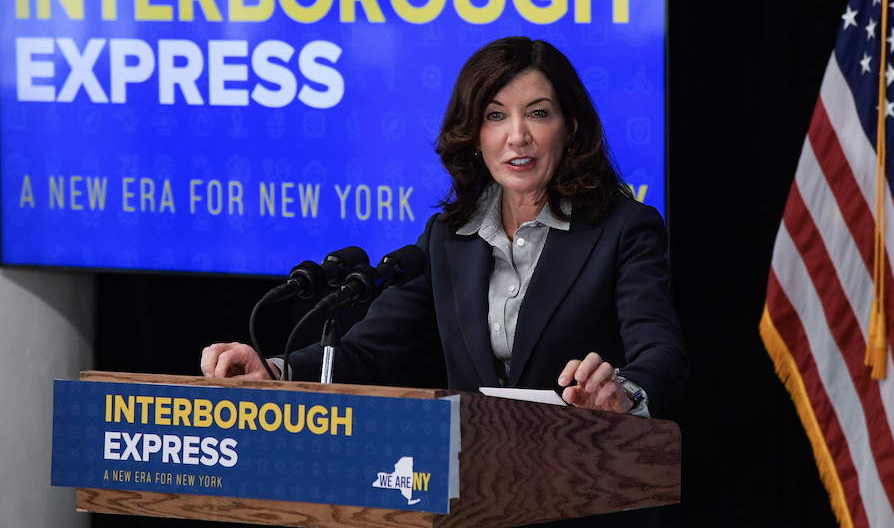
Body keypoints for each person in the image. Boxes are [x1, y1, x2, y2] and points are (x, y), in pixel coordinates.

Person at [202, 37, 688, 521]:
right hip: (470, 495)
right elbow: (370, 350)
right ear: (474, 135)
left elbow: (663, 353)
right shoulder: (447, 237)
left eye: (538, 113)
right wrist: (275, 370)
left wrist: (622, 391)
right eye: (495, 116)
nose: (517, 135)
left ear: (571, 127)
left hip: (579, 490)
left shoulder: (623, 228)